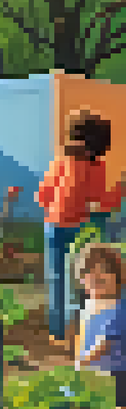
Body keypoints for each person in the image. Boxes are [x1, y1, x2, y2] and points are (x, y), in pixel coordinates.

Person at [36, 108, 122, 345]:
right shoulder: (96, 166)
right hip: (85, 227)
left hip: (55, 224)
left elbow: (42, 196)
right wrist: (120, 188)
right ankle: (87, 327)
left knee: (57, 279)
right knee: (88, 279)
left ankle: (59, 332)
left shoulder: (60, 162)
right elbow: (101, 203)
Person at [76, 243, 126, 409]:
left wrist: (81, 362)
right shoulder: (88, 305)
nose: (96, 274)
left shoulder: (118, 306)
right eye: (89, 271)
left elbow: (104, 344)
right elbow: (83, 336)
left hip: (114, 373)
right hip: (93, 370)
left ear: (117, 276)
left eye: (103, 269)